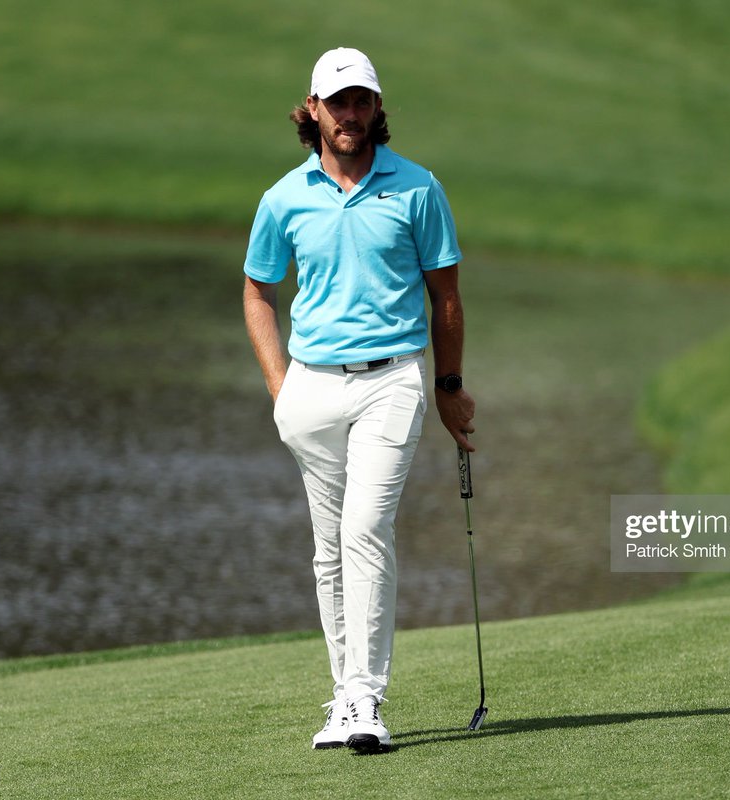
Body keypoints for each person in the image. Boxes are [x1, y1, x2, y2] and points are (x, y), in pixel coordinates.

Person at [241, 46, 475, 753]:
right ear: (312, 110)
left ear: (378, 109)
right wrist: (281, 387)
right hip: (311, 387)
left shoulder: (417, 189)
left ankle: (366, 699)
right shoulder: (284, 198)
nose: (350, 114)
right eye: (337, 102)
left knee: (365, 530)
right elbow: (258, 291)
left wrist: (449, 387)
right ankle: (344, 693)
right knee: (328, 549)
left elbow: (447, 298)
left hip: (392, 381)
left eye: (361, 101)